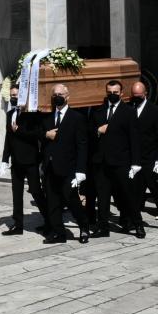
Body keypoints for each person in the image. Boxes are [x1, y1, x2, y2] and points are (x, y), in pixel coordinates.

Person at [89, 80, 142, 238]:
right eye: (109, 92)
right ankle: (103, 227)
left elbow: (134, 139)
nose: (112, 95)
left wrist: (135, 163)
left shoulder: (129, 112)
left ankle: (138, 224)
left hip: (121, 162)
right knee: (103, 197)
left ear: (121, 93)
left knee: (128, 195)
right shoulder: (98, 111)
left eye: (115, 92)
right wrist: (98, 130)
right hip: (102, 161)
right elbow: (88, 131)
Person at [41, 84, 90, 244]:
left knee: (71, 200)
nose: (57, 97)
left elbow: (82, 145)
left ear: (67, 96)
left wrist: (80, 171)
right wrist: (45, 135)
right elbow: (40, 137)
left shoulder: (77, 118)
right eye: (55, 94)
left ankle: (84, 226)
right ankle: (59, 233)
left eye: (60, 94)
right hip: (50, 167)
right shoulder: (47, 118)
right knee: (53, 202)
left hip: (69, 168)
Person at [0, 84, 47, 236]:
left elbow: (36, 134)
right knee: (16, 193)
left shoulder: (32, 114)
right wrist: (5, 159)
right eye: (12, 95)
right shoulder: (10, 114)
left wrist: (19, 130)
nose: (13, 98)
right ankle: (18, 225)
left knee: (36, 191)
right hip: (16, 161)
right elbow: (8, 137)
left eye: (16, 95)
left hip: (30, 160)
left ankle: (49, 220)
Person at [131, 82, 158, 228]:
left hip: (150, 157)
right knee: (135, 192)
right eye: (134, 95)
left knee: (156, 190)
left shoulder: (155, 111)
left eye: (139, 95)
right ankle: (135, 220)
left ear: (145, 94)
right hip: (134, 158)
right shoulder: (129, 109)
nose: (136, 98)